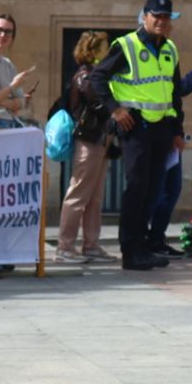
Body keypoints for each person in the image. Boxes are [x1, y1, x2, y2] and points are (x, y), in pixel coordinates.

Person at [88, 0, 192, 270]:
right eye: (157, 16)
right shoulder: (126, 45)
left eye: (167, 17)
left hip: (162, 127)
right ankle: (130, 249)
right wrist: (115, 110)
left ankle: (143, 245)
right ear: (145, 17)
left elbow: (174, 93)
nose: (162, 22)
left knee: (153, 188)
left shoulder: (170, 49)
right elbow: (97, 78)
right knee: (137, 187)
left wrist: (178, 130)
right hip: (136, 124)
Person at [54, 31, 115, 263]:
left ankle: (91, 244)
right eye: (104, 47)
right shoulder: (86, 75)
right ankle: (65, 246)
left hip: (100, 138)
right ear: (93, 50)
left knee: (95, 195)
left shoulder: (97, 74)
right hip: (88, 139)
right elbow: (96, 102)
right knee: (78, 193)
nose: (108, 51)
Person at [0, 13, 38, 121]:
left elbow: (21, 102)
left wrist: (0, 101)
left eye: (8, 32)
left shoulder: (7, 64)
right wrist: (12, 87)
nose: (3, 35)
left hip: (10, 121)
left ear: (12, 38)